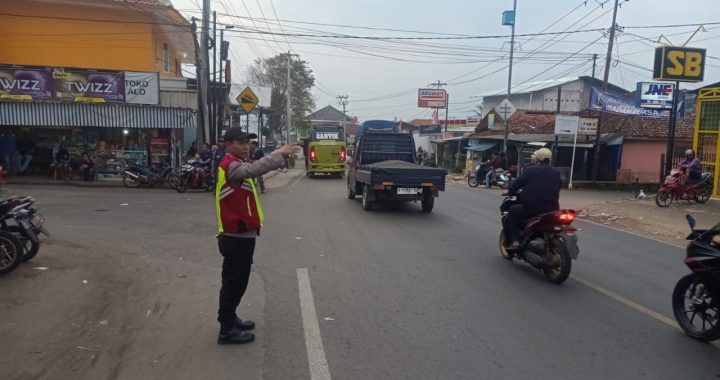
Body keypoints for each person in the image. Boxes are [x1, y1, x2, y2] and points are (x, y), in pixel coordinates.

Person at [214, 127, 299, 344]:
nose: (246, 146)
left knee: (237, 281)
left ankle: (231, 318)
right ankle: (226, 330)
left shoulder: (236, 163)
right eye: (241, 142)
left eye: (247, 142)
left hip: (242, 233)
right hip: (235, 236)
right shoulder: (229, 165)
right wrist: (279, 154)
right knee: (234, 282)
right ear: (228, 144)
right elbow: (254, 169)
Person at [503, 148, 561, 250]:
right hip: (552, 209)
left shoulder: (530, 170)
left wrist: (509, 192)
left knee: (512, 211)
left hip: (532, 208)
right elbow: (558, 187)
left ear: (537, 159)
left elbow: (517, 183)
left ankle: (515, 241)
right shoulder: (556, 172)